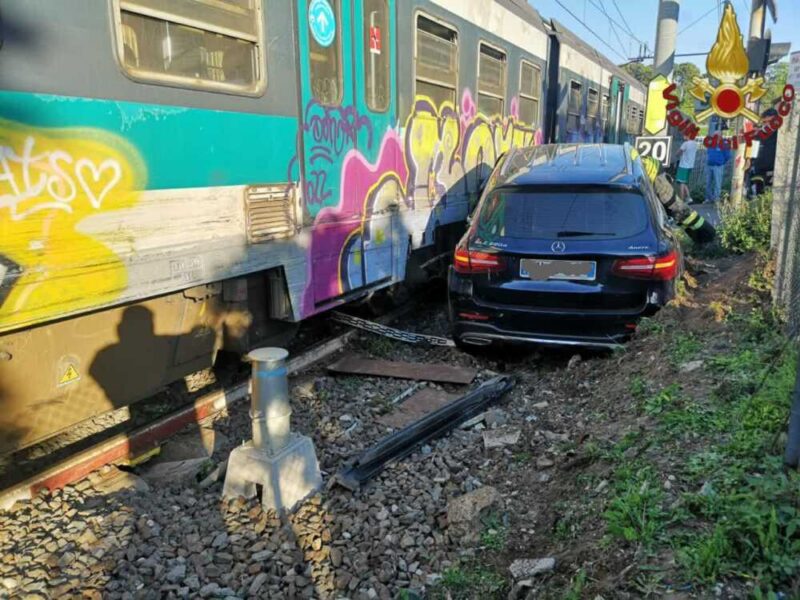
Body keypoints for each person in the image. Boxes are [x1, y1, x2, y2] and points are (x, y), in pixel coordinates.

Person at [675, 136, 698, 203]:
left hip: (683, 166)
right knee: (684, 182)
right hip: (690, 166)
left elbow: (678, 153)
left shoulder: (685, 144)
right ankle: (688, 197)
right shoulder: (694, 143)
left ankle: (681, 200)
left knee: (681, 183)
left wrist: (677, 154)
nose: (684, 136)